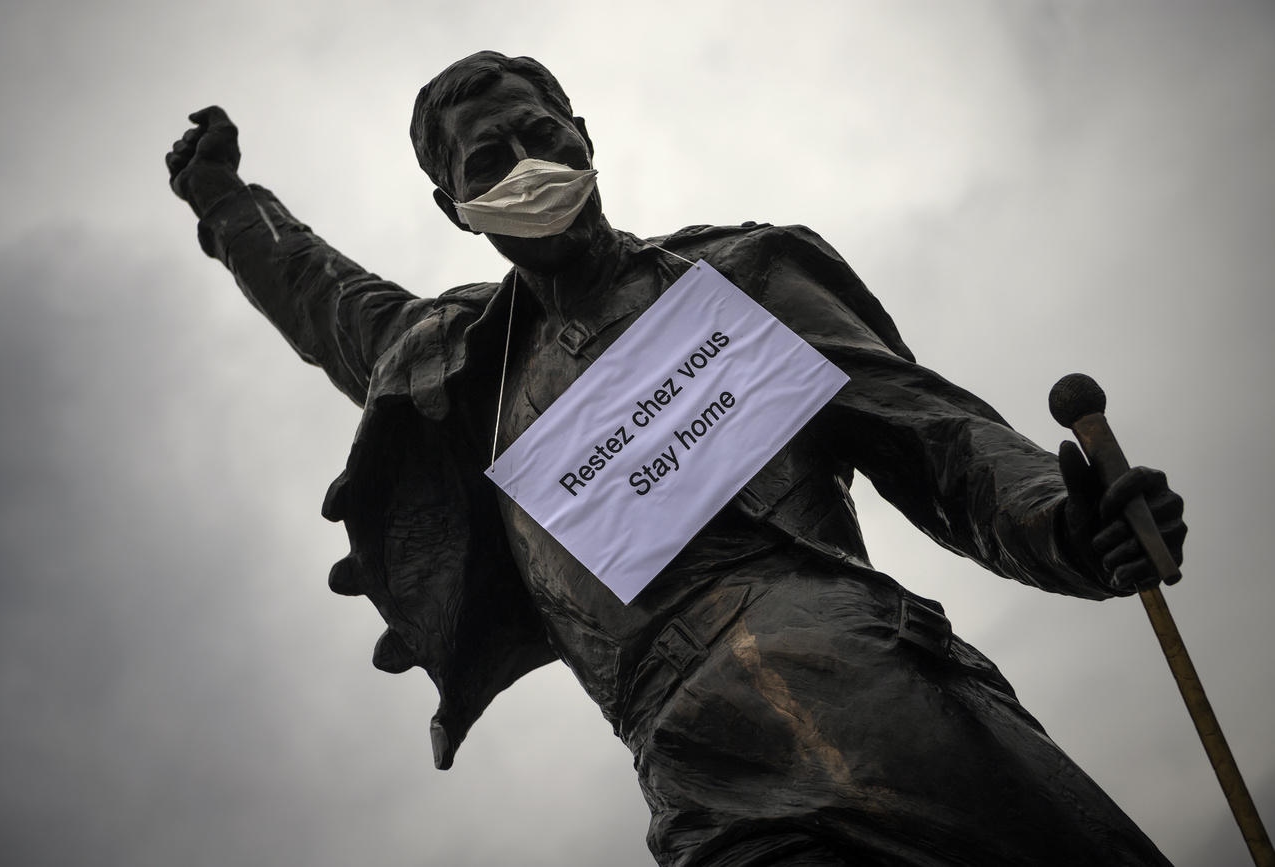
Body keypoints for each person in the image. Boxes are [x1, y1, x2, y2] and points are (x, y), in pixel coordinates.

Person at [166, 51, 1186, 866]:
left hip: (871, 690)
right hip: (692, 772)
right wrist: (225, 203)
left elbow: (933, 435)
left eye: (540, 133)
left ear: (583, 137)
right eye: (486, 162)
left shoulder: (733, 281)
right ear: (455, 206)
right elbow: (323, 299)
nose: (524, 164)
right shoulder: (455, 369)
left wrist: (1065, 516)